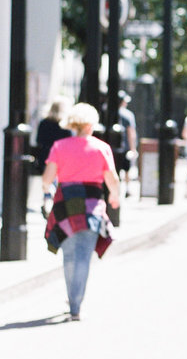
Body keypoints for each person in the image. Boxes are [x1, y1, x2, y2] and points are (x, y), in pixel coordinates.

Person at [41, 103, 120, 321]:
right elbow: (111, 178)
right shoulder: (101, 148)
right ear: (89, 124)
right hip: (91, 206)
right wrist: (115, 195)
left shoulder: (59, 146)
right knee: (84, 256)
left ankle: (72, 298)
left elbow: (47, 179)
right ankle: (76, 305)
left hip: (65, 205)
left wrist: (46, 189)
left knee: (69, 256)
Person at [34, 97, 72, 175]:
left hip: (46, 157)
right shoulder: (65, 126)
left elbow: (39, 140)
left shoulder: (44, 123)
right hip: (61, 159)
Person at [117, 91, 138, 197]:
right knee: (126, 169)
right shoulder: (128, 115)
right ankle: (127, 189)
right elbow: (131, 133)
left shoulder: (109, 112)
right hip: (125, 146)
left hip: (115, 146)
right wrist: (133, 147)